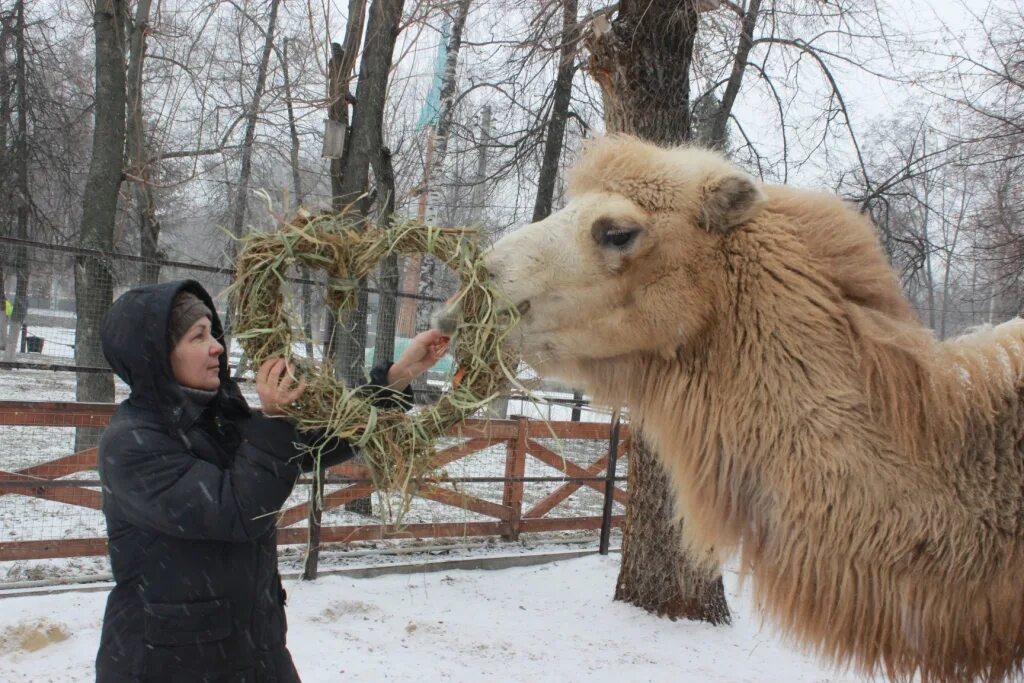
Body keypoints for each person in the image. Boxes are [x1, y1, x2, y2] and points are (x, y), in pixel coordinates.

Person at [95, 280, 447, 682]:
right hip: (171, 660)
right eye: (198, 337)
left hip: (253, 646)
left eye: (213, 332)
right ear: (156, 354)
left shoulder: (218, 415)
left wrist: (397, 377)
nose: (217, 347)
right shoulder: (132, 444)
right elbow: (240, 511)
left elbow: (306, 448)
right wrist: (276, 419)